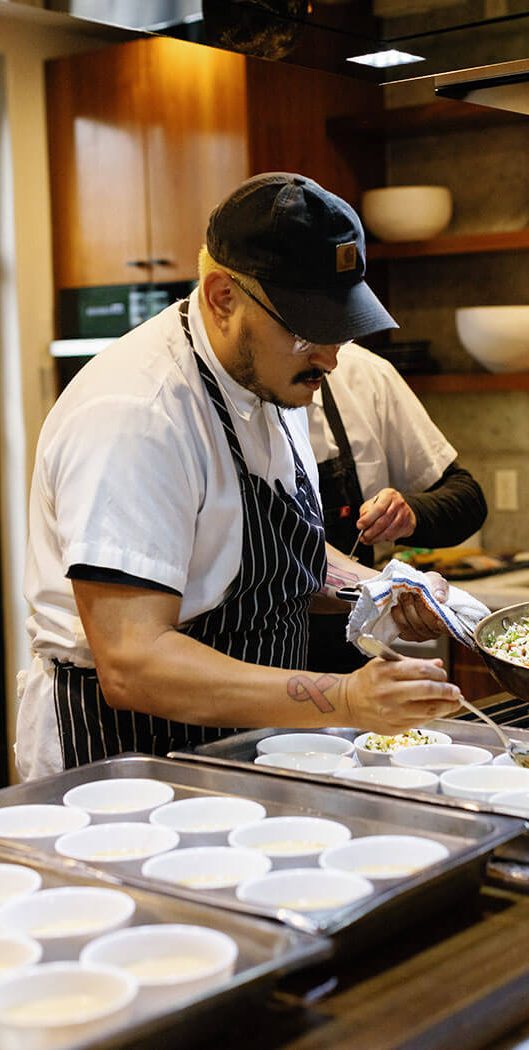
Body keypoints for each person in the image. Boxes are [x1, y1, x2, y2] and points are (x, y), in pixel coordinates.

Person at [16, 171, 463, 781]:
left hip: (246, 740)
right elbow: (132, 661)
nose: (331, 359)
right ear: (223, 296)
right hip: (128, 756)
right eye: (308, 331)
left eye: (340, 330)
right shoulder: (137, 414)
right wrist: (347, 699)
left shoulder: (270, 379)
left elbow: (272, 551)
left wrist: (380, 588)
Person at [307, 345, 487, 671]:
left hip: (351, 654)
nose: (328, 361)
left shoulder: (363, 375)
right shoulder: (204, 392)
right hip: (246, 665)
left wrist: (410, 514)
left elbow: (468, 500)